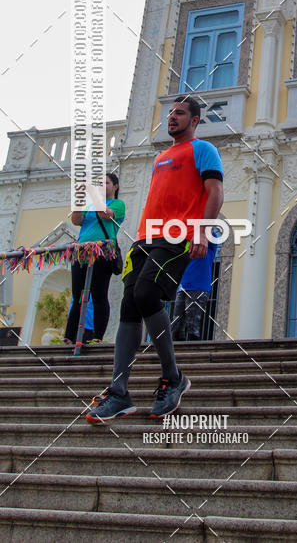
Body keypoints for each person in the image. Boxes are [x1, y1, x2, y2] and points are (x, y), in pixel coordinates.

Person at [87, 96, 224, 423]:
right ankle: (119, 393)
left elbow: (216, 192)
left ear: (194, 120)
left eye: (179, 113)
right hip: (146, 238)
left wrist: (202, 232)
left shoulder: (203, 150)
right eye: (170, 113)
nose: (172, 118)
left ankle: (173, 377)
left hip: (178, 235)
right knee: (131, 305)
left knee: (148, 293)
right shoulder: (161, 157)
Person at [64, 172, 125, 344]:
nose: (102, 186)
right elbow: (76, 220)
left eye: (106, 183)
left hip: (103, 252)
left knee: (99, 294)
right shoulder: (90, 204)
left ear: (115, 186)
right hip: (82, 251)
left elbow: (107, 215)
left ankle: (98, 336)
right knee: (78, 295)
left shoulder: (118, 204)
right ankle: (70, 335)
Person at [172, 233, 219, 341]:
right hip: (182, 287)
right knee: (176, 324)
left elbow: (209, 230)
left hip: (199, 287)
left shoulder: (209, 245)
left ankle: (193, 352)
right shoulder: (187, 246)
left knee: (192, 324)